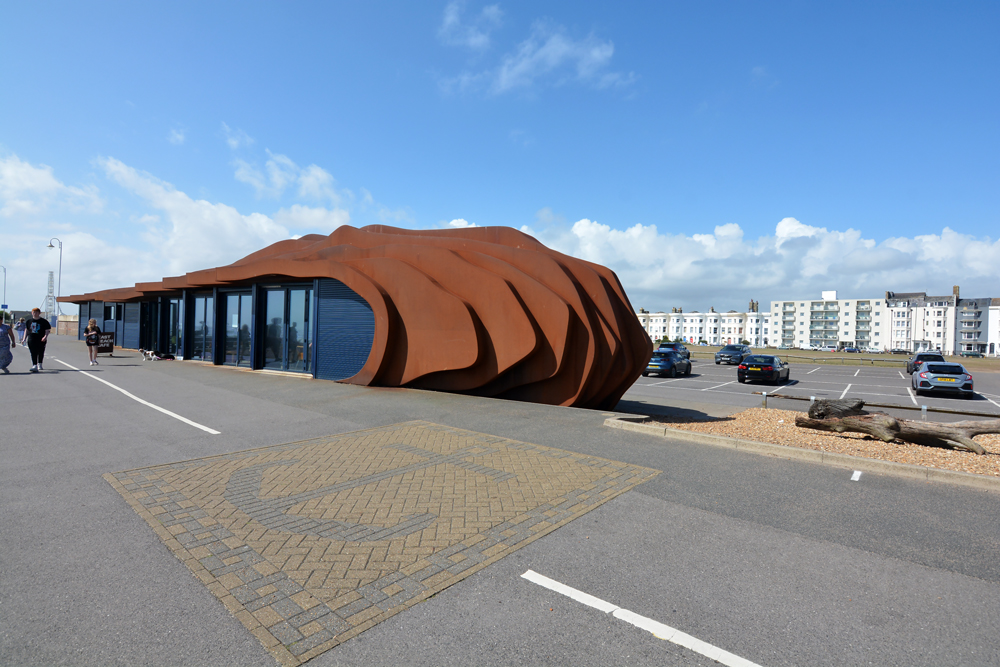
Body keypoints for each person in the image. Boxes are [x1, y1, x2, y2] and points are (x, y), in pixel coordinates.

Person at [25, 308, 52, 373]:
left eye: (37, 312)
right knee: (33, 352)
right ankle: (34, 365)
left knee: (40, 351)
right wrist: (24, 338)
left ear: (39, 313)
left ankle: (40, 363)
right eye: (34, 312)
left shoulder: (44, 321)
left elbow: (47, 330)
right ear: (32, 313)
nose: (35, 313)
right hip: (31, 338)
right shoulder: (29, 321)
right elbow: (27, 330)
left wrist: (45, 336)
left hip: (41, 339)